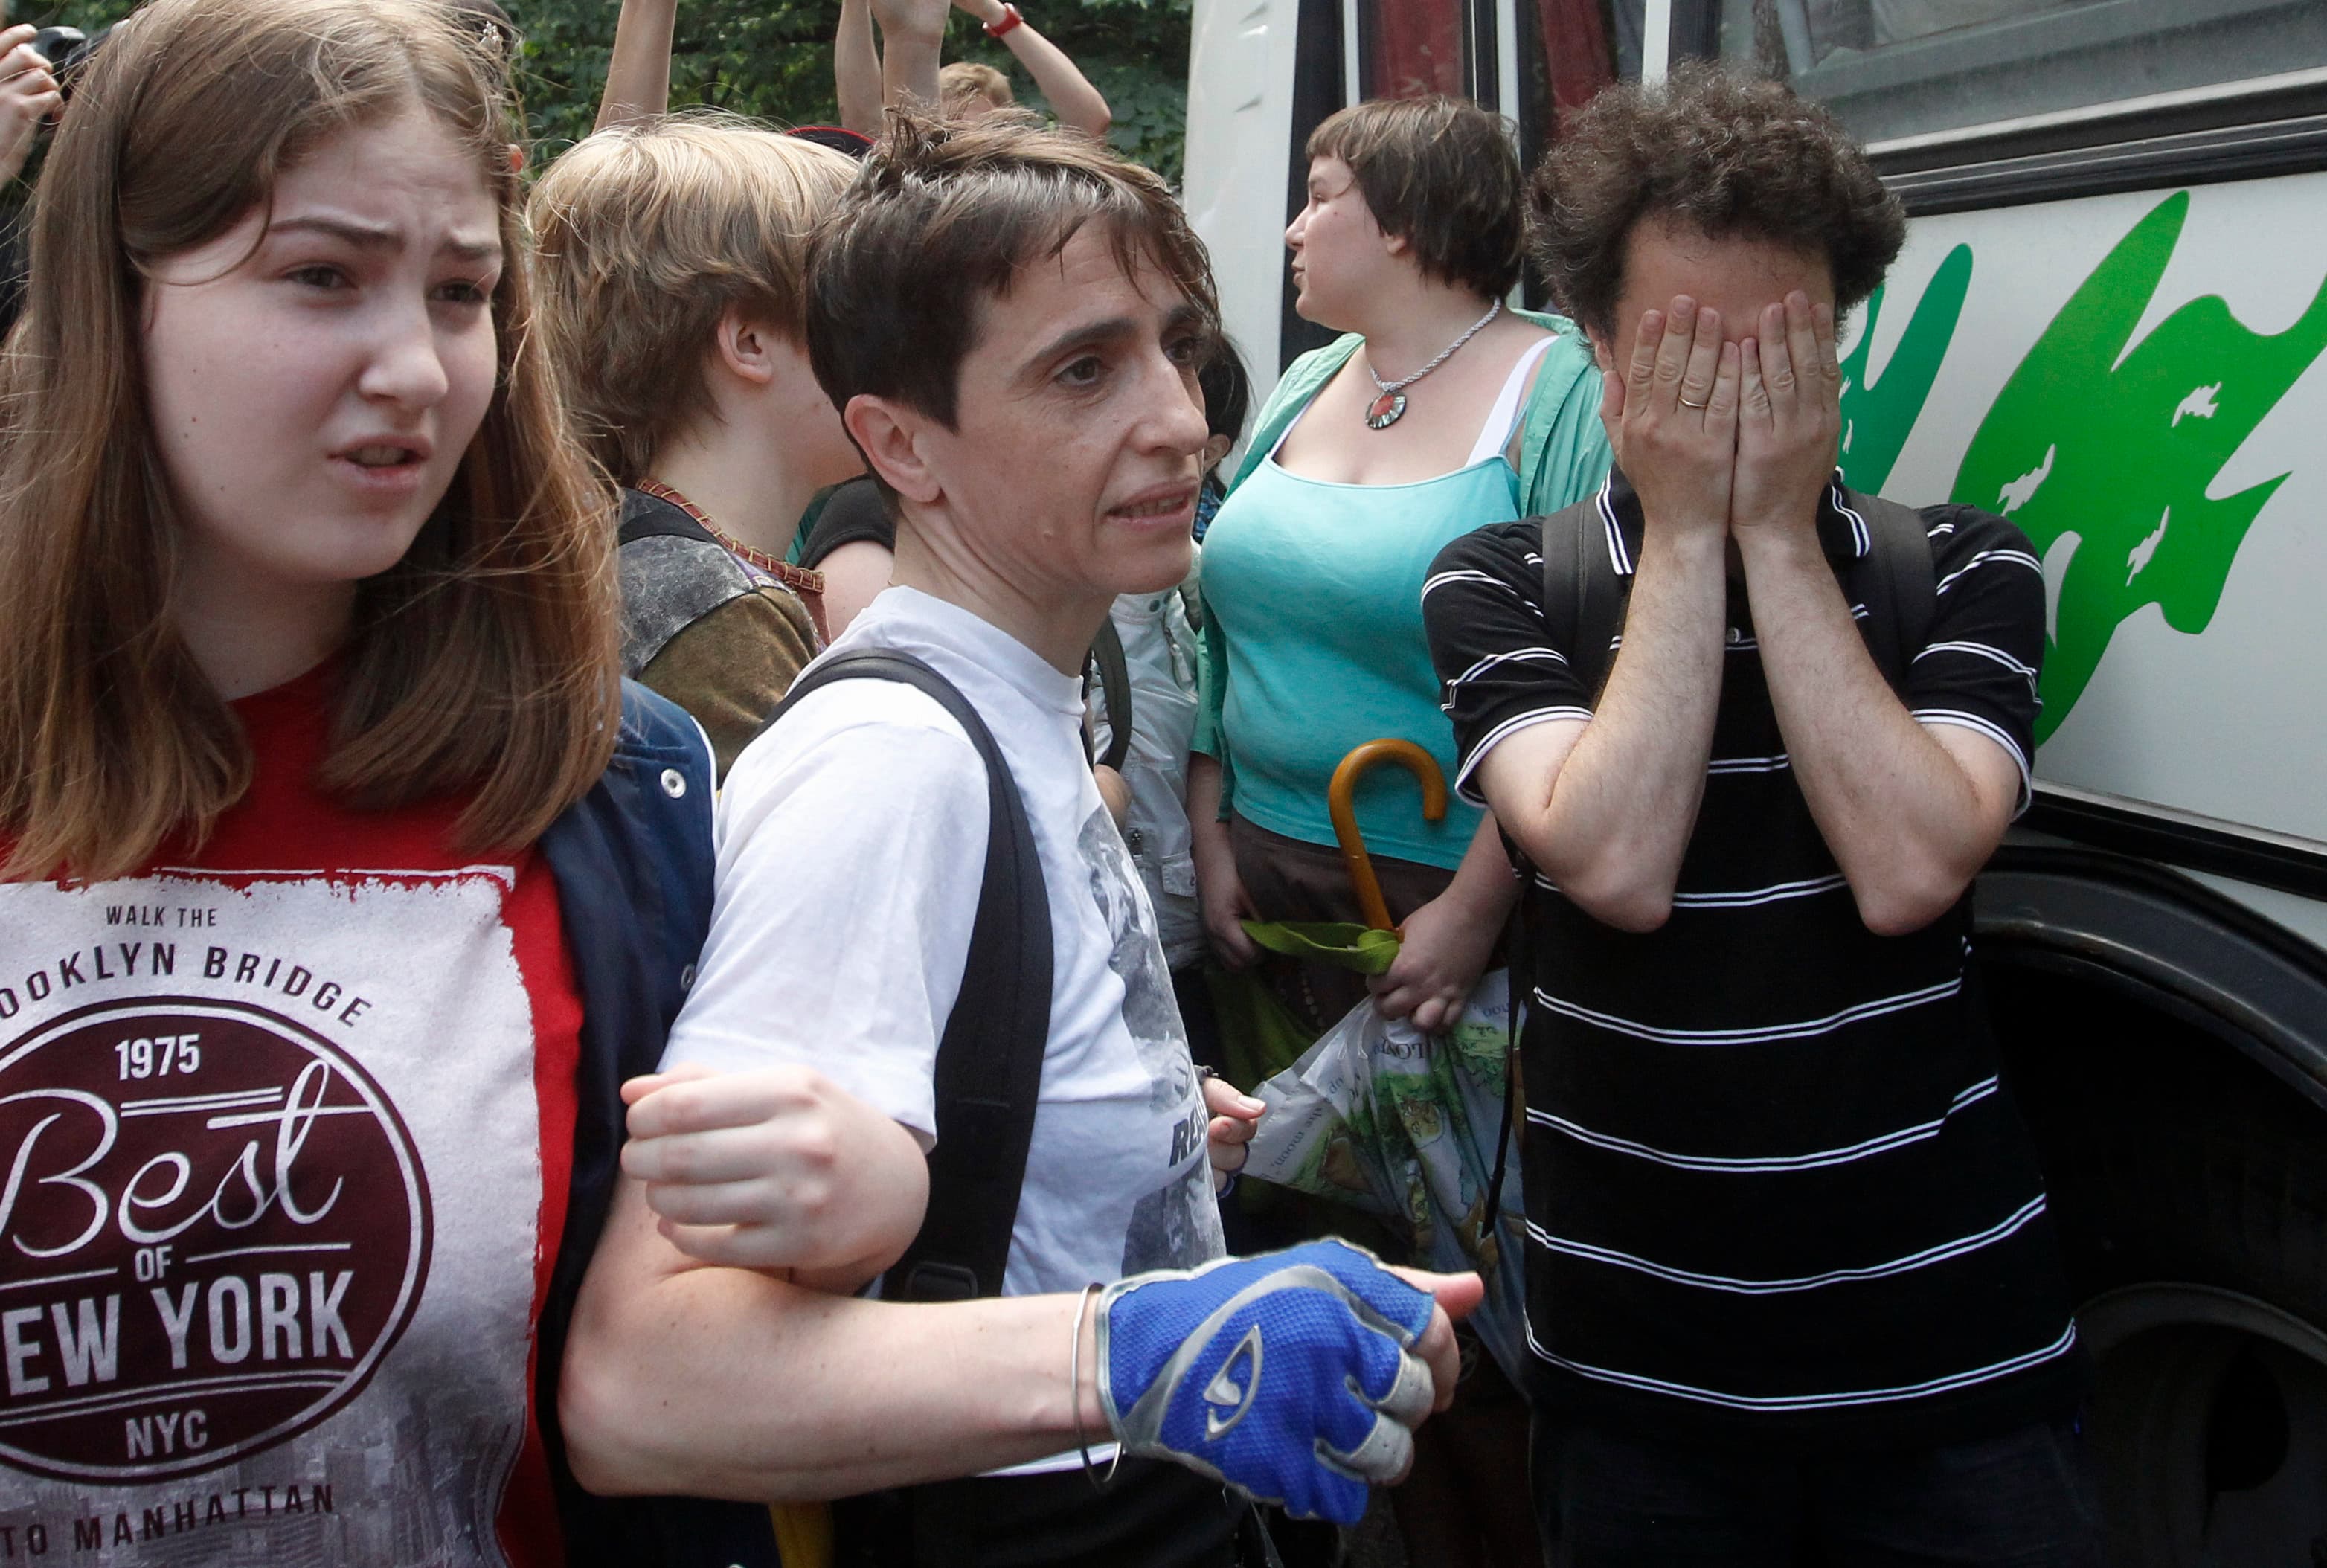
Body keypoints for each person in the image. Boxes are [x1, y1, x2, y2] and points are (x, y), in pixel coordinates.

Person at [561, 111, 1479, 1568]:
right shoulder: (887, 765)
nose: (1177, 414)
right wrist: (1135, 1349)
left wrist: (1133, 1133)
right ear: (899, 445)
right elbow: (643, 1382)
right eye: (1081, 369)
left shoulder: (1012, 700)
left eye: (1174, 346)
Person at [0, 1, 771, 1561]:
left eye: (464, 290)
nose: (416, 368)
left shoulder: (611, 787)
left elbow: (675, 1370)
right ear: (115, 296)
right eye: (321, 277)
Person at [1423, 64, 2095, 1564]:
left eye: (1776, 347)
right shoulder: (1502, 581)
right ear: (1595, 347)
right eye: (1681, 351)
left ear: (1838, 341)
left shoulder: (1965, 572)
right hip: (1636, 1375)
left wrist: (1778, 541)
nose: (1732, 395)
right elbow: (1609, 859)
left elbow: (1915, 861)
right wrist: (1683, 535)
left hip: (1954, 1357)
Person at [1190, 91, 1605, 1568]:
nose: (1293, 226)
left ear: (1411, 221)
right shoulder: (1309, 382)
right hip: (1271, 906)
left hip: (1439, 909)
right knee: (1306, 1250)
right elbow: (1210, 621)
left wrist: (1483, 901)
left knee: (1462, 1284)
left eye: (1320, 195)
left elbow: (1593, 673)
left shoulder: (1552, 394)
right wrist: (1208, 820)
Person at [530, 117, 856, 777]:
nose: (899, 348)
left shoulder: (624, 543)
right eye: (856, 310)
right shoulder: (721, 615)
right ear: (750, 343)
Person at [833, 0, 1111, 140]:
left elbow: (1090, 120)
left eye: (983, 132)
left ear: (1010, 131)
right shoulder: (904, 186)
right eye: (951, 134)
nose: (967, 146)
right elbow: (862, 124)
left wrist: (997, 14)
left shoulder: (1027, 184)